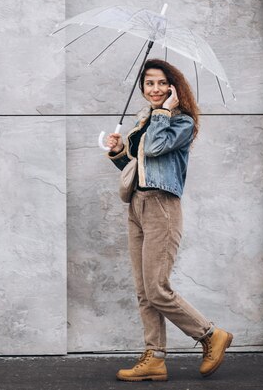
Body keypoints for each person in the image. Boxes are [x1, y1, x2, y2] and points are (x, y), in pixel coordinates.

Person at [105, 58, 233, 382]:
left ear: (174, 86)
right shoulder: (145, 120)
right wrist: (120, 152)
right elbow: (138, 170)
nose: (156, 89)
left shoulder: (181, 122)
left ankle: (210, 335)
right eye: (149, 83)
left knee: (158, 289)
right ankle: (155, 358)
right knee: (143, 291)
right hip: (137, 206)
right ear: (143, 87)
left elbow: (159, 147)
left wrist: (161, 114)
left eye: (162, 83)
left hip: (162, 207)